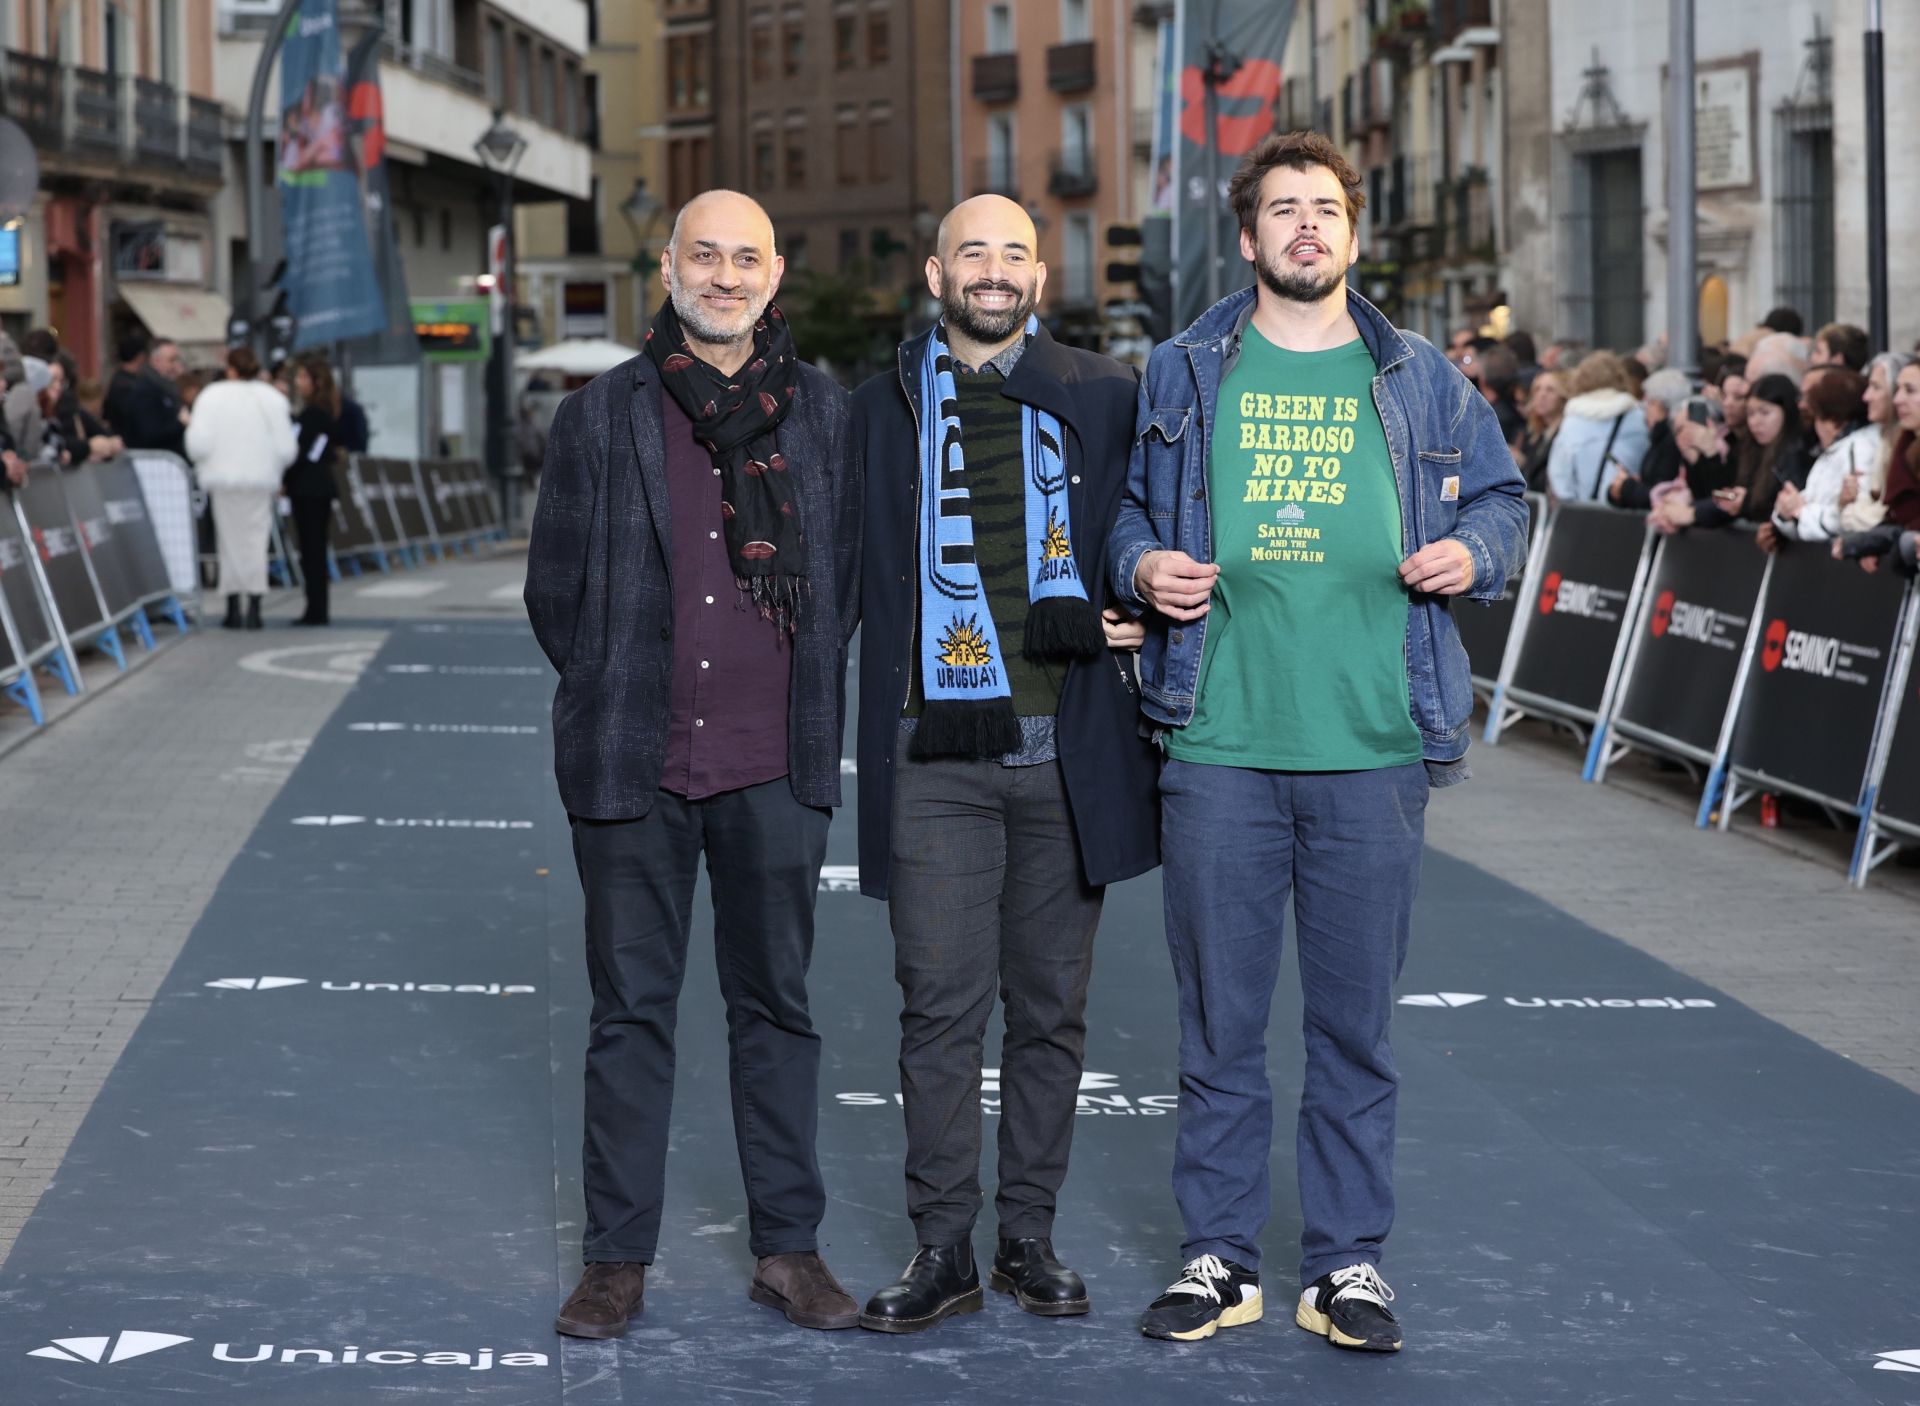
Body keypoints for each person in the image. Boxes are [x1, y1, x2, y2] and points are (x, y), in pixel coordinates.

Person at [1108, 130, 1527, 1352]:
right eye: (1282, 209)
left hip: (1376, 744)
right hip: (1220, 743)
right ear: (1247, 236)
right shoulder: (1184, 370)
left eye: (1325, 209)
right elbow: (1130, 504)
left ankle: (1347, 1264)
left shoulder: (1425, 378)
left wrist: (1476, 553)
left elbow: (1504, 499)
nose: (1305, 227)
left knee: (1355, 1028)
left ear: (1352, 232)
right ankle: (1218, 1256)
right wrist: (1140, 558)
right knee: (1219, 1023)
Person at [525, 189, 863, 1342]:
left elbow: (850, 584)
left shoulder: (824, 413)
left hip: (775, 760)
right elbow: (555, 595)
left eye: (747, 257)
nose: (725, 275)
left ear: (778, 273)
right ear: (666, 266)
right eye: (704, 254)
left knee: (778, 1007)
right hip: (634, 758)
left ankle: (788, 1247)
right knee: (630, 1013)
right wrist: (621, 684)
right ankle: (617, 1260)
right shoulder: (598, 416)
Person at [849, 195, 1160, 1335]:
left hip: (1068, 752)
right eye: (971, 250)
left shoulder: (1102, 393)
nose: (993, 270)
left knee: (1051, 1010)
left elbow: (1145, 526)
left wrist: (1134, 599)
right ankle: (944, 1246)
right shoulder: (876, 409)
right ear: (936, 271)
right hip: (935, 753)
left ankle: (1027, 1233)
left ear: (1041, 271)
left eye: (1013, 252)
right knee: (936, 1007)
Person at [186, 348, 298, 629]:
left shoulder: (211, 396)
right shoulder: (271, 399)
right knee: (256, 541)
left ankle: (234, 604)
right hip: (260, 479)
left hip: (223, 478)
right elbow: (286, 447)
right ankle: (255, 605)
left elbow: (198, 444)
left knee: (229, 542)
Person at [1836, 360, 1920, 570]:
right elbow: (1896, 516)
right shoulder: (1904, 443)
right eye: (1898, 389)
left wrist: (1875, 540)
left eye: (1910, 391)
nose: (1898, 399)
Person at [1774, 369, 1872, 543]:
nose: (1815, 427)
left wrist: (1800, 512)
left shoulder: (1858, 451)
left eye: (1817, 418)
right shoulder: (1833, 452)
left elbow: (1848, 519)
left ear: (1835, 421)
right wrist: (1785, 512)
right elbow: (1808, 502)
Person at [1544, 350, 1650, 504]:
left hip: (1585, 515)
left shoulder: (1574, 422)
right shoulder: (1639, 416)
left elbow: (1560, 478)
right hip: (1630, 512)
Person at [286, 356, 343, 626]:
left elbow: (305, 453)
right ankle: (316, 606)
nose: (297, 382)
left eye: (301, 377)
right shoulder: (320, 412)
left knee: (313, 550)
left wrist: (285, 478)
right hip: (315, 487)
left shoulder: (314, 415)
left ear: (315, 381)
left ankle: (316, 608)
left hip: (310, 488)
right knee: (313, 549)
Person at [1608, 367, 1691, 510]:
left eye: (1648, 403)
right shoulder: (1659, 438)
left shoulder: (1673, 442)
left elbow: (1661, 492)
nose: (1645, 410)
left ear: (1659, 404)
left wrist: (1626, 487)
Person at [104, 332, 189, 455]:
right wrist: (180, 423)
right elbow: (150, 433)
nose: (176, 365)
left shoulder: (162, 386)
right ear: (155, 361)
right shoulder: (144, 390)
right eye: (172, 360)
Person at [1516, 368, 1568, 491]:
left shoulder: (1565, 435)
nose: (1542, 395)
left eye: (1550, 390)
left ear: (1562, 396)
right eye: (1537, 389)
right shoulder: (1536, 435)